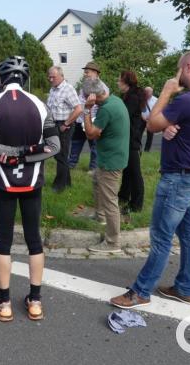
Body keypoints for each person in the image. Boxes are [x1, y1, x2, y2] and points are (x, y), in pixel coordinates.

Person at [110, 50, 190, 309]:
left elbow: (151, 124)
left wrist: (167, 91)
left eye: (178, 68)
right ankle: (185, 288)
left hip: (179, 178)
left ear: (188, 67)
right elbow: (179, 126)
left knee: (161, 236)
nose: (176, 73)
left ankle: (141, 291)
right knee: (188, 234)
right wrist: (170, 127)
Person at [0, 56, 60, 322]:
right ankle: (35, 301)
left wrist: (13, 154)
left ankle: (4, 304)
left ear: (1, 78)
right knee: (34, 240)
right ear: (25, 78)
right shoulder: (40, 104)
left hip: (3, 183)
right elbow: (54, 146)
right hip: (32, 182)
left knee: (4, 242)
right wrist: (27, 154)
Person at [80, 78, 130, 254]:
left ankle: (113, 242)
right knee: (96, 180)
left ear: (92, 95)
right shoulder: (115, 99)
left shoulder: (106, 109)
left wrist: (87, 110)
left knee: (110, 201)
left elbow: (91, 134)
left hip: (111, 161)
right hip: (112, 156)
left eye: (86, 96)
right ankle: (100, 216)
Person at [45, 66, 82, 192]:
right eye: (49, 76)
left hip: (64, 125)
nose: (50, 79)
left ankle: (58, 186)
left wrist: (66, 124)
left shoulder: (68, 89)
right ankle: (67, 182)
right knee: (59, 154)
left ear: (61, 76)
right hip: (54, 124)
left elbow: (78, 109)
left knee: (60, 154)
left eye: (53, 77)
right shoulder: (53, 89)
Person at [69, 61, 109, 173]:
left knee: (95, 147)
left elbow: (104, 105)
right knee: (76, 143)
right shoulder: (84, 86)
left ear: (95, 73)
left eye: (87, 72)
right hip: (80, 119)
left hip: (94, 120)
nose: (85, 74)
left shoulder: (103, 88)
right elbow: (79, 101)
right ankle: (71, 164)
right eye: (85, 72)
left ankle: (93, 168)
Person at [117, 71, 148, 216]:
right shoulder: (131, 95)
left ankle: (136, 205)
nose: (117, 82)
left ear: (126, 82)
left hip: (132, 139)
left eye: (119, 80)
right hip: (130, 137)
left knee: (135, 172)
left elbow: (124, 116)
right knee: (128, 169)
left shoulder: (132, 97)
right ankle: (123, 196)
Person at [141, 87, 158, 152]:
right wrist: (142, 117)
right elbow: (138, 109)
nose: (147, 93)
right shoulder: (141, 98)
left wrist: (151, 117)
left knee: (150, 135)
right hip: (142, 119)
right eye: (146, 92)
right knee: (138, 134)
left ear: (152, 92)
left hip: (151, 119)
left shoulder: (156, 100)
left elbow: (158, 110)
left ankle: (147, 150)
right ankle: (138, 148)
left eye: (149, 92)